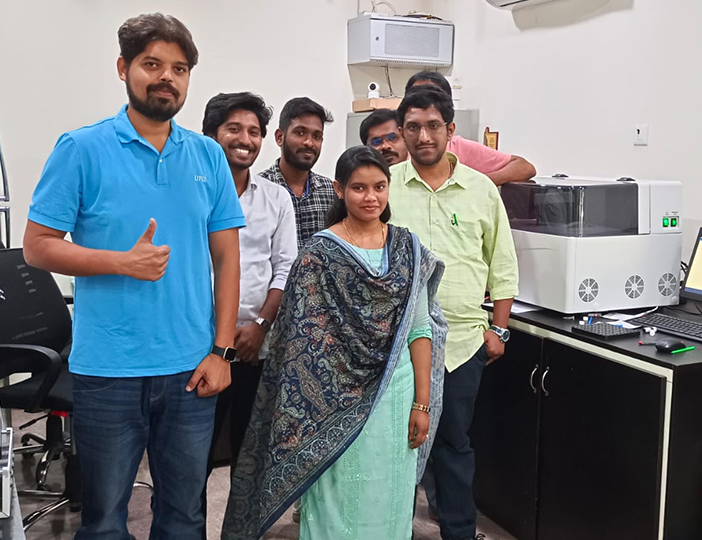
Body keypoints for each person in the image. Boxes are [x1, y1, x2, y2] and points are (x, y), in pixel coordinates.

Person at [23, 13, 245, 540]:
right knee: (103, 521)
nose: (166, 77)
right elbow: (37, 246)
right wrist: (121, 262)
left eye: (179, 68)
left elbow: (227, 259)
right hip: (109, 371)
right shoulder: (81, 149)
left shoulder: (208, 156)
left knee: (185, 517)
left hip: (192, 369)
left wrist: (222, 351)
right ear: (123, 68)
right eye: (152, 64)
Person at [221, 146, 448, 540]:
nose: (370, 197)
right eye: (359, 188)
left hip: (396, 396)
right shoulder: (319, 255)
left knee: (390, 496)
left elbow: (419, 329)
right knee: (338, 502)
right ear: (340, 190)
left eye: (379, 186)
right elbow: (300, 345)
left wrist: (422, 403)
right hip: (331, 407)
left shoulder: (406, 249)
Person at [389, 85, 519, 540]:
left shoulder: (481, 189)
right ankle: (391, 529)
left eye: (432, 126)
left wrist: (499, 330)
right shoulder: (386, 186)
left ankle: (459, 531)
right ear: (401, 132)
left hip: (463, 341)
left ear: (450, 130)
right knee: (396, 443)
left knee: (453, 443)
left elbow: (502, 264)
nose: (423, 136)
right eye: (412, 127)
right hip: (398, 341)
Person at [200, 92, 298, 528]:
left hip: (255, 346)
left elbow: (285, 267)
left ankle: (241, 532)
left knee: (248, 452)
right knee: (194, 455)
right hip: (200, 345)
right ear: (211, 134)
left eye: (254, 132)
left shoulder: (275, 198)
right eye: (234, 129)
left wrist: (260, 325)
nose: (245, 139)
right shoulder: (192, 193)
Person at [404, 71, 536, 185]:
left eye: (433, 126)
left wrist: (477, 184)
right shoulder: (396, 147)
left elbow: (524, 167)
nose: (423, 138)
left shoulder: (458, 147)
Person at [259, 97, 336, 249]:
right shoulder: (259, 191)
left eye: (317, 136)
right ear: (280, 137)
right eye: (300, 133)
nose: (309, 143)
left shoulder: (330, 191)